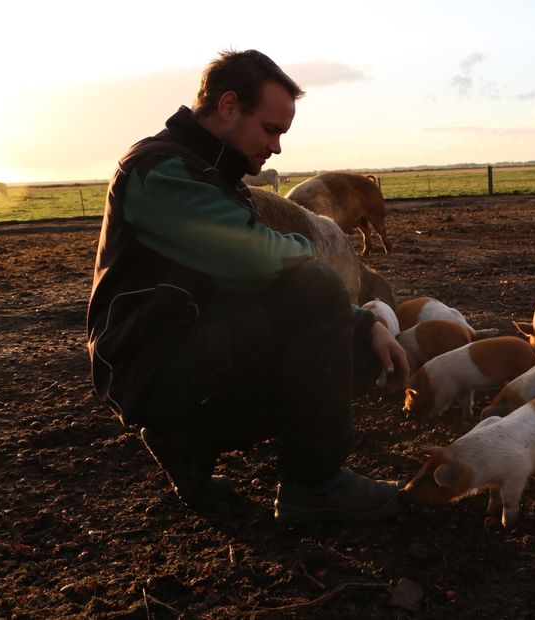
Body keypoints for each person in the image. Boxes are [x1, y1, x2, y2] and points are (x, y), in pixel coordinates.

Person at [86, 49, 409, 525]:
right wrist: (312, 255)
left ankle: (189, 442)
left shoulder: (212, 174)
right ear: (229, 106)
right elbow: (255, 260)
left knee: (357, 348)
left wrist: (362, 322)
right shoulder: (161, 171)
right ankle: (314, 485)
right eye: (271, 129)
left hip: (187, 345)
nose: (276, 148)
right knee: (316, 283)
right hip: (147, 363)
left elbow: (249, 277)